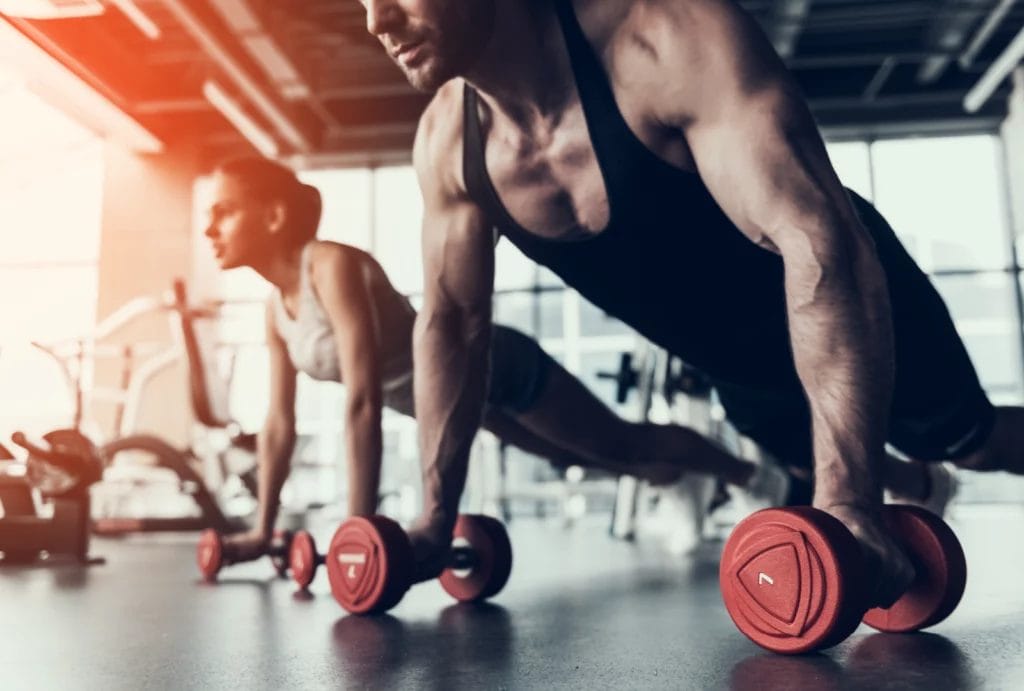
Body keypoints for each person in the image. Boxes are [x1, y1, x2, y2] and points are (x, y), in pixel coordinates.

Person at [357, 0, 1023, 606]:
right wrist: (433, 522)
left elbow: (818, 243)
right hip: (737, 373)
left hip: (850, 305)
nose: (375, 21)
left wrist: (850, 503)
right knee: (808, 460)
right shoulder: (448, 146)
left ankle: (922, 473)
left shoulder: (664, 42)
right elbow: (453, 323)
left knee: (974, 442)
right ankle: (916, 488)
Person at [202, 156, 792, 562]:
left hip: (494, 366)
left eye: (224, 210)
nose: (209, 228)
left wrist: (359, 528)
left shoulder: (328, 265)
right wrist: (261, 527)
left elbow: (362, 398)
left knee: (620, 444)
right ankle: (676, 482)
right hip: (459, 404)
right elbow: (278, 426)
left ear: (274, 216)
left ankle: (755, 475)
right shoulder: (274, 309)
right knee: (570, 454)